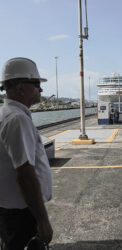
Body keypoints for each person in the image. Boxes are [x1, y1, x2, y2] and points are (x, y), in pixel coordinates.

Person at [0, 58, 53, 249]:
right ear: (21, 87)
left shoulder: (6, 113)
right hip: (22, 215)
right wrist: (42, 220)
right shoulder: (17, 119)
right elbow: (25, 175)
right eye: (37, 84)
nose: (41, 90)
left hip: (11, 212)